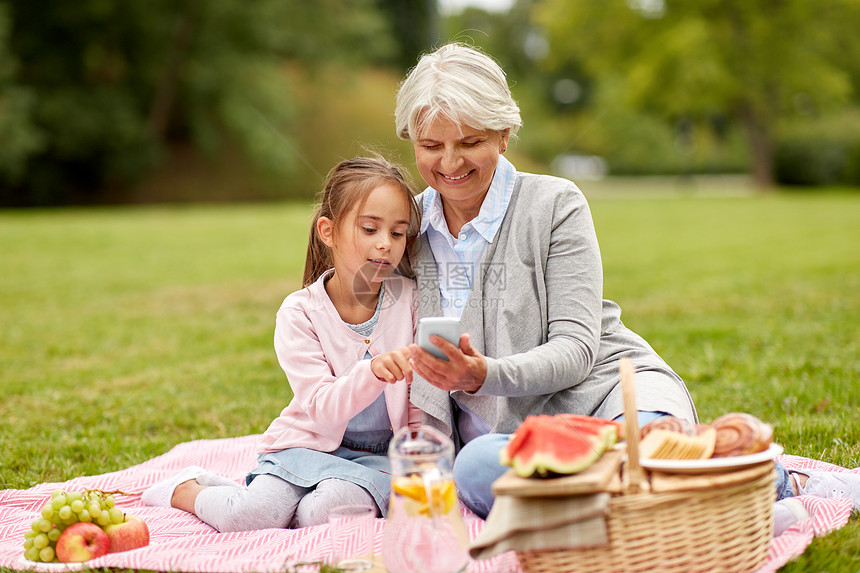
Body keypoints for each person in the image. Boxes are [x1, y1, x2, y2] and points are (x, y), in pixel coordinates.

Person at [394, 43, 860, 523]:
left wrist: (483, 374)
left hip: (607, 398)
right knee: (475, 468)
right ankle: (700, 507)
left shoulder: (554, 205)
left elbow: (576, 349)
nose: (449, 163)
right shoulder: (402, 226)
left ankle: (778, 486)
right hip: (504, 440)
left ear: (504, 135)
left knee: (656, 448)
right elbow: (342, 308)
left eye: (469, 142)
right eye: (431, 146)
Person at [142, 156, 423, 531]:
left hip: (379, 460)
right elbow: (324, 410)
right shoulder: (300, 313)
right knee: (248, 517)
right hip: (304, 446)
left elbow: (422, 397)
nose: (385, 244)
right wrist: (371, 371)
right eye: (369, 228)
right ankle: (188, 490)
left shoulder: (412, 301)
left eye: (397, 232)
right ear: (329, 231)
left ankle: (259, 495)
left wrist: (420, 462)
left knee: (322, 515)